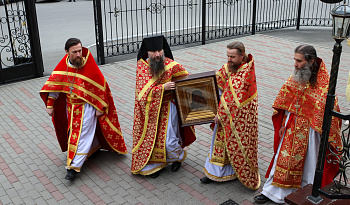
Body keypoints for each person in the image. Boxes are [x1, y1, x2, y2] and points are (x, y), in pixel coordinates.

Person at [254, 45, 342, 204]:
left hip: (311, 133)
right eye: (294, 59)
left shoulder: (324, 83)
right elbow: (285, 97)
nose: (295, 64)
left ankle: (304, 194)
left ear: (311, 61)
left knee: (308, 166)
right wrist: (282, 122)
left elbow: (329, 107)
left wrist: (314, 118)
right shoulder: (297, 75)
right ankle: (272, 192)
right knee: (283, 161)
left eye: (299, 61)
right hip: (290, 126)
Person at [40, 38, 127, 181]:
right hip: (71, 109)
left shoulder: (89, 65)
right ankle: (94, 147)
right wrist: (50, 105)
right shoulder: (64, 66)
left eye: (80, 50)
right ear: (67, 52)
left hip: (87, 108)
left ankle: (73, 167)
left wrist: (100, 106)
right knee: (74, 134)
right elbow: (55, 87)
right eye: (74, 52)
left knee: (80, 135)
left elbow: (100, 87)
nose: (79, 54)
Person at [131, 35, 196, 178]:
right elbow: (142, 95)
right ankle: (156, 165)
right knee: (153, 140)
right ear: (147, 52)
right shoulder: (142, 67)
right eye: (154, 52)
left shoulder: (172, 65)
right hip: (150, 112)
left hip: (169, 107)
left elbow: (187, 81)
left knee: (169, 141)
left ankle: (177, 157)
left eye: (160, 50)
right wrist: (162, 88)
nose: (158, 54)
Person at [200, 41, 260, 190]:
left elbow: (236, 99)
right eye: (227, 56)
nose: (229, 60)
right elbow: (217, 82)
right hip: (224, 115)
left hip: (240, 118)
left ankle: (238, 172)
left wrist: (221, 114)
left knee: (238, 145)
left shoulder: (247, 71)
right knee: (219, 144)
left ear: (241, 55)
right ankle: (215, 173)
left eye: (232, 57)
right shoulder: (229, 67)